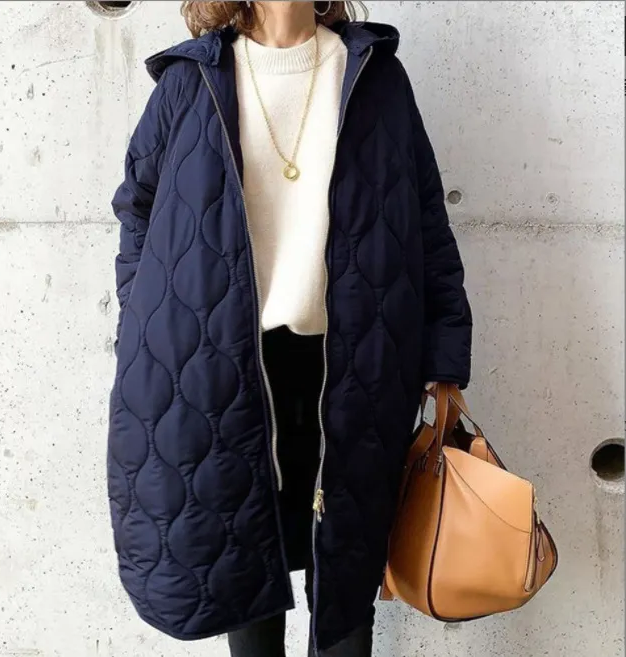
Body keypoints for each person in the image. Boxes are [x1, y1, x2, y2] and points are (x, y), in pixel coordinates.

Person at [106, 2, 472, 656]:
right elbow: (138, 209)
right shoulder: (191, 81)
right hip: (221, 367)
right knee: (241, 569)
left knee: (348, 575)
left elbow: (426, 221)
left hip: (356, 362)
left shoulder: (374, 76)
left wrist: (444, 355)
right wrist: (143, 327)